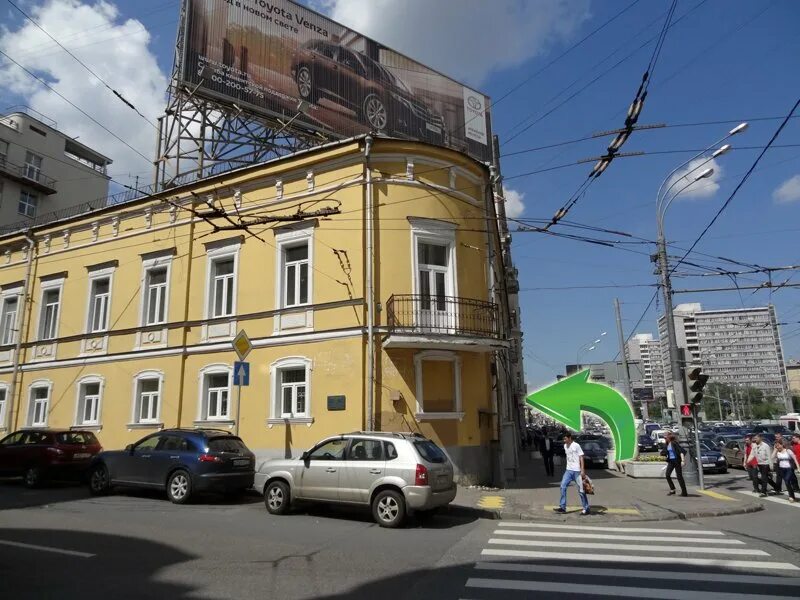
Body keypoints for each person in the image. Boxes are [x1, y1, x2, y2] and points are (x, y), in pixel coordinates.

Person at [553, 432, 590, 515]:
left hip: (577, 471)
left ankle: (586, 508)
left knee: (581, 490)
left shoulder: (576, 445)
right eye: (563, 439)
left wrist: (582, 469)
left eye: (565, 438)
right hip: (568, 470)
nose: (564, 440)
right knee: (562, 486)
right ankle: (562, 507)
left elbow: (581, 457)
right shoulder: (565, 446)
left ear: (570, 438)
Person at [661, 432, 687, 497]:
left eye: (665, 437)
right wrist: (664, 454)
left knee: (679, 477)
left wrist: (683, 461)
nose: (664, 439)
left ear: (669, 437)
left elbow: (681, 452)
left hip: (677, 461)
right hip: (671, 461)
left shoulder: (674, 443)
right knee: (667, 475)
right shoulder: (667, 444)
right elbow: (663, 452)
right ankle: (672, 489)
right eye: (664, 438)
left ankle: (684, 492)